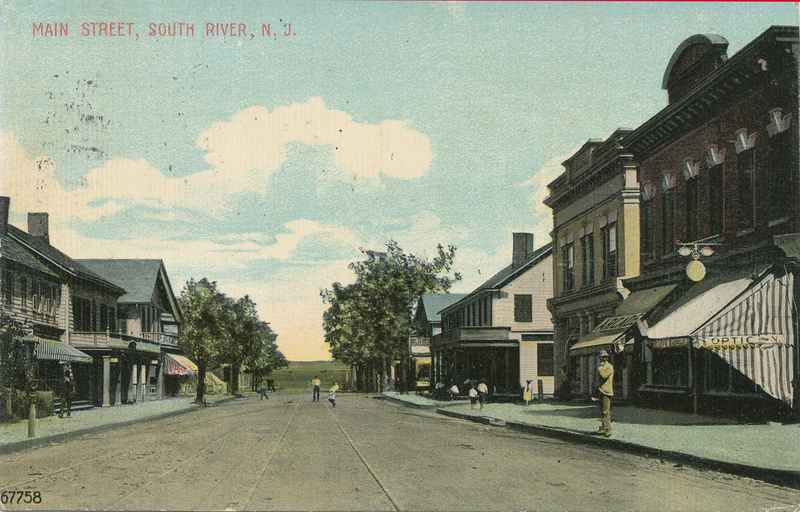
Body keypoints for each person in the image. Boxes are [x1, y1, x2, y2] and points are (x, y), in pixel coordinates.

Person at [596, 350, 614, 437]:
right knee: (602, 410)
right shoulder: (602, 366)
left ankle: (607, 429)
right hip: (601, 390)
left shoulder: (609, 367)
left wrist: (600, 370)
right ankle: (603, 427)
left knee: (606, 411)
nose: (602, 359)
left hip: (606, 391)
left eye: (604, 357)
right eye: (601, 357)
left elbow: (604, 376)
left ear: (607, 358)